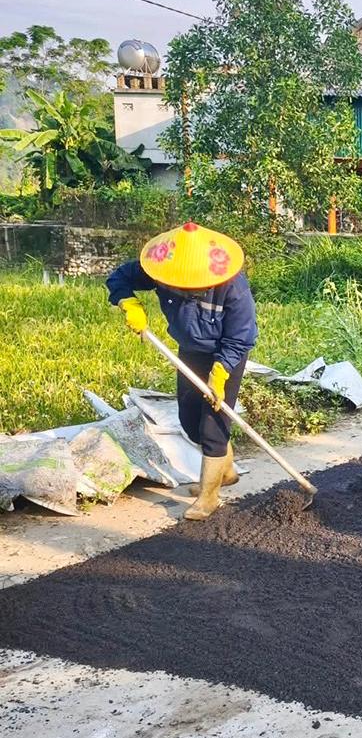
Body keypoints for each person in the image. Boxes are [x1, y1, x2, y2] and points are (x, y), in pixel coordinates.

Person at [106, 222, 257, 521]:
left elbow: (242, 335)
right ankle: (224, 471)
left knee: (214, 423)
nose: (186, 288)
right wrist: (128, 302)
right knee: (190, 422)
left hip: (225, 356)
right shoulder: (164, 270)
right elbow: (119, 277)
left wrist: (221, 372)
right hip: (189, 352)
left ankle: (209, 495)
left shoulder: (232, 284)